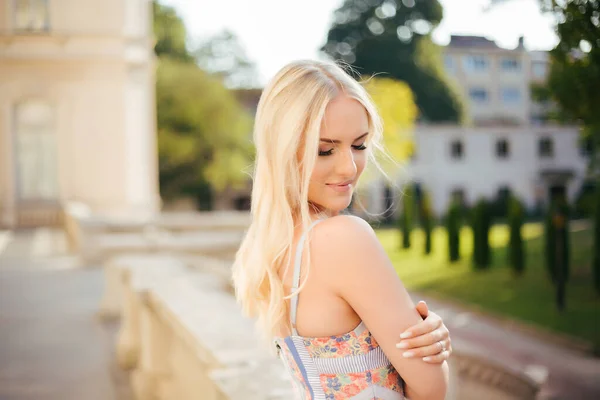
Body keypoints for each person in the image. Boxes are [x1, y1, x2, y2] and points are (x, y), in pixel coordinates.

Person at [233, 60, 450, 400]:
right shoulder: (343, 237)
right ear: (284, 152)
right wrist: (436, 350)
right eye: (325, 150)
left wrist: (425, 334)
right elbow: (432, 388)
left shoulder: (272, 245)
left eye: (360, 145)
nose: (349, 166)